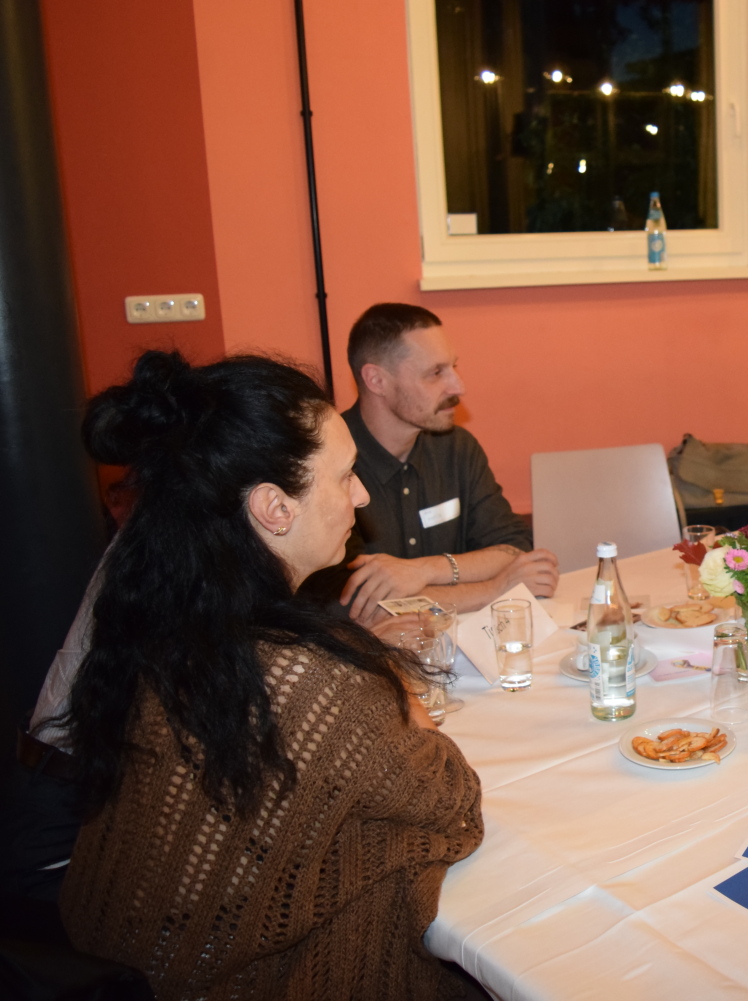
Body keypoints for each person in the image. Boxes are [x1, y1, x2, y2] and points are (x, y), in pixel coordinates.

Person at [59, 351, 484, 999]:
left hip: (113, 963)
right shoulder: (310, 679)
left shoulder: (160, 613)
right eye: (344, 477)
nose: (362, 494)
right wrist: (395, 690)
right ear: (273, 508)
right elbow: (454, 802)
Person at [323, 303, 558, 625]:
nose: (458, 387)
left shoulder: (457, 448)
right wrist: (493, 589)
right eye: (435, 373)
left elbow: (514, 549)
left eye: (453, 367)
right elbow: (358, 606)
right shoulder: (325, 463)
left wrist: (424, 570)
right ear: (376, 380)